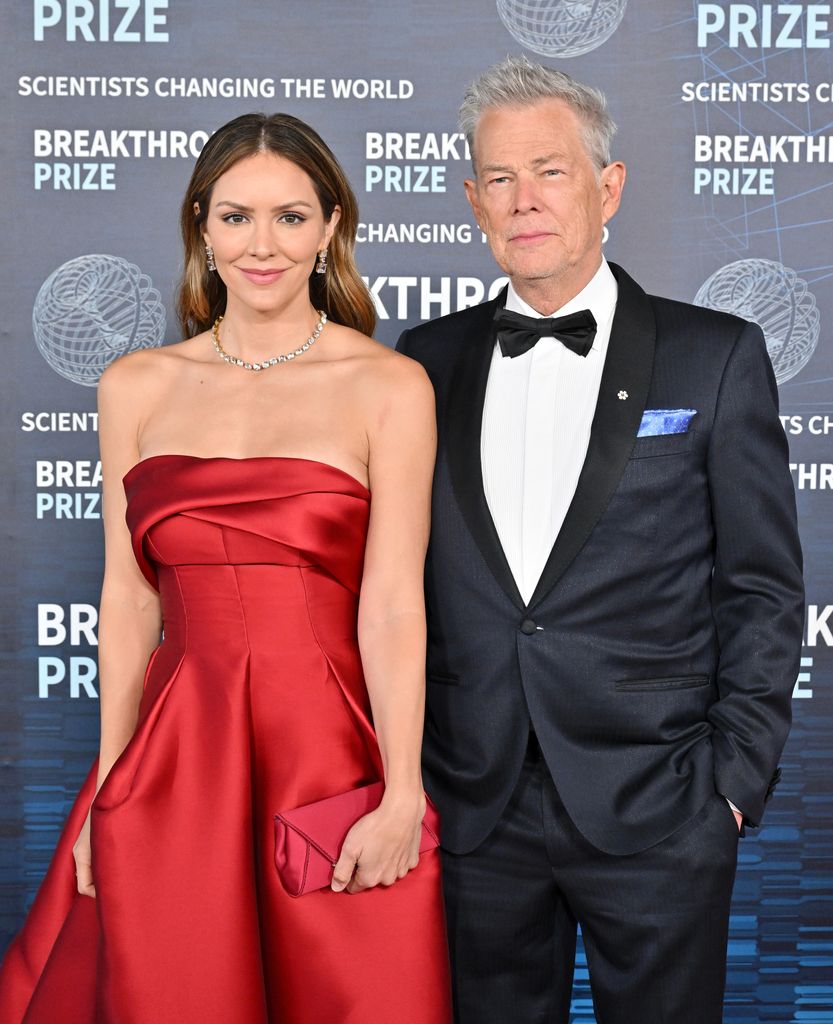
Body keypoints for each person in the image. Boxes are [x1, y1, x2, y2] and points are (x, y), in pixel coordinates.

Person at [1, 112, 451, 1024]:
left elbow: (394, 602)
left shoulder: (387, 385)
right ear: (201, 226)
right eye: (237, 217)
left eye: (291, 217)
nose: (263, 245)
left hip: (325, 746)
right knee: (176, 984)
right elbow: (127, 600)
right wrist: (109, 781)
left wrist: (401, 789)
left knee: (349, 993)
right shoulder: (135, 384)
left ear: (330, 228)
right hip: (177, 752)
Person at [397, 55, 804, 1024]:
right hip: (471, 807)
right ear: (470, 200)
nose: (522, 199)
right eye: (498, 177)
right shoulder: (423, 363)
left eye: (549, 170)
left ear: (607, 184)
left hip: (660, 805)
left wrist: (730, 786)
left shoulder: (714, 356)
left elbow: (761, 587)